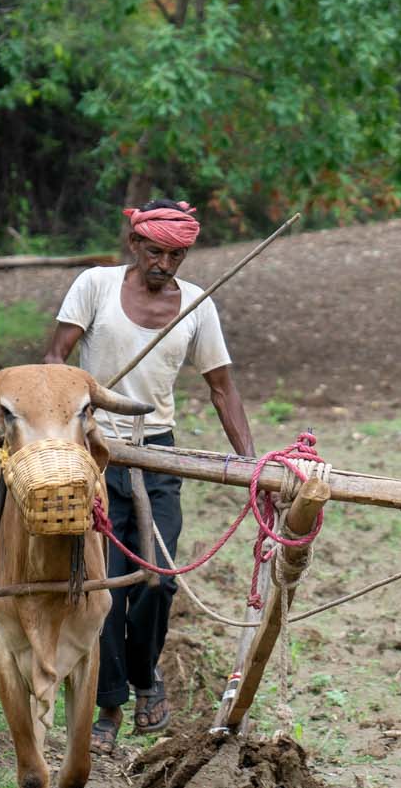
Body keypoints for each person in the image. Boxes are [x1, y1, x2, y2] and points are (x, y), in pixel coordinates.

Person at [43, 199, 254, 749]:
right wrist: (58, 429)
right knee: (106, 584)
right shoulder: (94, 285)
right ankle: (109, 705)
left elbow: (221, 387)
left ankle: (145, 675)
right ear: (134, 246)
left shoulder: (197, 307)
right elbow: (56, 359)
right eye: (154, 251)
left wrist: (252, 464)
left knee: (159, 578)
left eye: (175, 255)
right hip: (92, 451)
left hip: (157, 451)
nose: (163, 263)